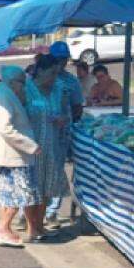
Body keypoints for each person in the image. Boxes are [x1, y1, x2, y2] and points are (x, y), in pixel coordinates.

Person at [0, 64, 42, 246]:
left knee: (11, 194)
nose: (23, 87)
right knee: (18, 194)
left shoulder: (6, 95)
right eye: (21, 83)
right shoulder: (2, 97)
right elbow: (6, 129)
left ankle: (11, 229)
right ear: (12, 82)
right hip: (12, 156)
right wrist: (31, 146)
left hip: (12, 156)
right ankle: (3, 228)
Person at [24, 54, 71, 240]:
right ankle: (30, 227)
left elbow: (65, 113)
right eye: (51, 74)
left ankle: (40, 225)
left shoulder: (58, 88)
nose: (53, 79)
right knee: (30, 188)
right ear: (40, 71)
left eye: (56, 74)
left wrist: (62, 119)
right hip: (30, 147)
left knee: (46, 188)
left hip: (50, 146)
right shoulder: (27, 88)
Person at [44, 40, 84, 227]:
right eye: (57, 59)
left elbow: (77, 107)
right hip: (41, 133)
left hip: (61, 135)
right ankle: (28, 213)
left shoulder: (71, 81)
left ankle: (51, 212)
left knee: (57, 172)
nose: (61, 62)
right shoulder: (40, 78)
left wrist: (68, 122)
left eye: (63, 59)